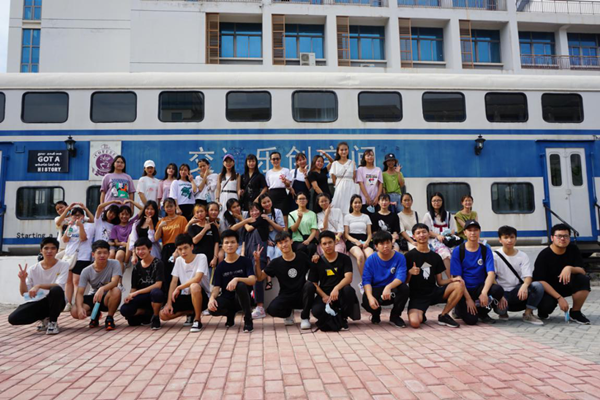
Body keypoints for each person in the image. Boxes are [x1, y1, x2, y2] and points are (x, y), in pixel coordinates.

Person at [405, 224, 463, 329]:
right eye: (418, 233)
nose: (421, 235)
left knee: (459, 285)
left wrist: (452, 279)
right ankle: (421, 313)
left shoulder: (436, 256)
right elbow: (405, 282)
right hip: (417, 297)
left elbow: (440, 282)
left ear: (429, 234)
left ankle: (444, 315)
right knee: (415, 323)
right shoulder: (408, 256)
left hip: (433, 292)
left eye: (424, 232)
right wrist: (410, 272)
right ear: (413, 236)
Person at [8, 238, 69, 335]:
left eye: (53, 248)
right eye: (46, 248)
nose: (49, 251)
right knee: (13, 318)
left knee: (56, 289)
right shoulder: (33, 269)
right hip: (39, 301)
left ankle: (53, 322)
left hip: (57, 301)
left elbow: (60, 285)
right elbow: (24, 293)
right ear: (41, 250)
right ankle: (44, 318)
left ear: (57, 251)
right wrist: (22, 280)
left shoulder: (64, 265)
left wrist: (39, 286)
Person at [533, 224, 591, 324]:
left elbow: (582, 271)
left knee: (583, 279)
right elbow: (540, 281)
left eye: (566, 236)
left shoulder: (573, 249)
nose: (563, 239)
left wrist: (569, 268)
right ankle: (543, 311)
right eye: (559, 236)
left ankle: (575, 312)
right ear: (552, 238)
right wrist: (559, 298)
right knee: (547, 306)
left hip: (566, 284)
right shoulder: (544, 255)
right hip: (549, 289)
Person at [254, 231, 314, 329]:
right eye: (280, 243)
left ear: (291, 241)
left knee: (310, 286)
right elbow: (260, 277)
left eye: (286, 241)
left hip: (302, 295)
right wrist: (257, 262)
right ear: (277, 245)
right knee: (272, 310)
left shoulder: (302, 256)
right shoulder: (275, 263)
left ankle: (305, 317)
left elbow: (314, 269)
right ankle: (288, 313)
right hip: (286, 295)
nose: (284, 245)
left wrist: (316, 258)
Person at [450, 220, 504, 325]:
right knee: (471, 320)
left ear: (479, 232)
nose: (473, 233)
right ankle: (458, 309)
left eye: (475, 230)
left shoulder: (485, 250)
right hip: (464, 290)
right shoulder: (458, 251)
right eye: (469, 230)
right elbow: (457, 278)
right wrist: (468, 299)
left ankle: (483, 313)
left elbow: (491, 273)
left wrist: (484, 293)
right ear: (464, 232)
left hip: (479, 288)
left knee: (497, 290)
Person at [306, 231, 359, 330]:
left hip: (341, 292)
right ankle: (333, 318)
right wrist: (324, 296)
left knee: (349, 291)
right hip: (325, 294)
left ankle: (342, 318)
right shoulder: (317, 261)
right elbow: (313, 283)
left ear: (335, 242)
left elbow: (348, 278)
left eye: (330, 242)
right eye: (324, 243)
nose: (328, 246)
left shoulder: (345, 258)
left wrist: (336, 288)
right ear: (320, 246)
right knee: (316, 311)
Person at [493, 225, 544, 325]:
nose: (509, 240)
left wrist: (525, 285)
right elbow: (491, 277)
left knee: (537, 286)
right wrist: (499, 295)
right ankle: (503, 313)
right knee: (501, 310)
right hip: (502, 293)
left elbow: (528, 276)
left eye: (512, 237)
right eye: (506, 237)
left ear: (516, 239)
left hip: (518, 292)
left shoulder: (522, 256)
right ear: (500, 240)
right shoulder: (494, 256)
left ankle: (528, 314)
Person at [160, 234, 210, 332]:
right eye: (180, 249)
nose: (183, 251)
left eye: (185, 248)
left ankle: (197, 319)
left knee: (194, 286)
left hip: (202, 296)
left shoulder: (201, 257)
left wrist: (179, 287)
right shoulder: (179, 260)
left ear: (192, 247)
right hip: (186, 296)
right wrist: (169, 303)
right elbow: (174, 282)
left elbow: (197, 278)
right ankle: (191, 312)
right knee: (163, 315)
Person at [208, 230, 256, 333]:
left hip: (243, 299)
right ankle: (230, 314)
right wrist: (211, 299)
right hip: (228, 299)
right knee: (212, 309)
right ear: (223, 246)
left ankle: (248, 319)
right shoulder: (220, 267)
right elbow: (216, 287)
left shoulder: (245, 261)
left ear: (237, 245)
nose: (229, 245)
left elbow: (253, 280)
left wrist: (237, 279)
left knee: (240, 285)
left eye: (232, 242)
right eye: (226, 242)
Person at [71, 240, 122, 330]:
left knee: (116, 290)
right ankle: (96, 314)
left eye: (105, 253)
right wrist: (79, 308)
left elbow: (115, 282)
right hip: (94, 297)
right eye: (99, 253)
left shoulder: (115, 263)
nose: (102, 255)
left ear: (109, 254)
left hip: (107, 297)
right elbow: (79, 293)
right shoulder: (86, 271)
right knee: (74, 311)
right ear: (93, 254)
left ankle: (109, 318)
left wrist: (102, 289)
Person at [361, 231, 409, 327]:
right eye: (382, 244)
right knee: (366, 299)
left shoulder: (400, 257)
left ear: (392, 243)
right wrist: (370, 297)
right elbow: (366, 280)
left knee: (404, 289)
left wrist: (388, 287)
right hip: (377, 289)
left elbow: (401, 277)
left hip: (392, 289)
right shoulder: (371, 260)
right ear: (376, 246)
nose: (386, 246)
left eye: (388, 243)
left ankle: (395, 316)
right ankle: (375, 314)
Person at [120, 237, 164, 330]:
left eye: (143, 249)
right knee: (125, 310)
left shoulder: (158, 263)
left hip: (154, 296)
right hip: (141, 297)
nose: (140, 252)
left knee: (156, 293)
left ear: (150, 249)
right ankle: (147, 313)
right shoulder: (137, 266)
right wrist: (129, 297)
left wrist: (136, 293)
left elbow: (158, 285)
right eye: (138, 249)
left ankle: (156, 317)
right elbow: (134, 287)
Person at [63, 206, 95, 307]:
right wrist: (70, 226)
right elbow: (65, 240)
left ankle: (77, 303)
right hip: (69, 256)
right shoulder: (71, 226)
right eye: (74, 215)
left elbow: (83, 238)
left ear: (83, 216)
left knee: (76, 281)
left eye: (79, 215)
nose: (76, 217)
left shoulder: (88, 226)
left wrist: (80, 226)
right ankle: (68, 303)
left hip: (82, 256)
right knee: (68, 281)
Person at [155, 198, 189, 294]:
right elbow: (156, 238)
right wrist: (160, 227)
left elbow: (185, 235)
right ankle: (168, 296)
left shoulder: (182, 219)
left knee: (180, 272)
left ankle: (180, 295)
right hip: (166, 249)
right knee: (167, 273)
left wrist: (178, 250)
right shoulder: (162, 221)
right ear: (164, 208)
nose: (169, 208)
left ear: (175, 206)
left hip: (179, 247)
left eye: (171, 206)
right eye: (167, 207)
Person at [423, 192, 455, 278]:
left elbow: (453, 230)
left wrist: (446, 235)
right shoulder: (428, 216)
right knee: (445, 253)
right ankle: (451, 278)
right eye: (434, 201)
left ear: (442, 201)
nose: (436, 203)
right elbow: (427, 231)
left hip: (448, 241)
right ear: (430, 202)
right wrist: (438, 236)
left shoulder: (448, 215)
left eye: (438, 200)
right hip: (433, 242)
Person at [344, 194, 374, 277]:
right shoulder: (347, 217)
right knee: (360, 256)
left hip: (365, 240)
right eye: (355, 202)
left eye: (359, 202)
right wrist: (355, 241)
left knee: (371, 257)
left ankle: (373, 278)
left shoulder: (366, 217)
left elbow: (369, 233)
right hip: (352, 241)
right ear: (351, 204)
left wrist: (367, 242)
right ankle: (364, 280)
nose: (357, 204)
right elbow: (346, 234)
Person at [109, 201, 142, 271]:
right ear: (118, 215)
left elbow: (142, 209)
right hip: (122, 247)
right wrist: (123, 243)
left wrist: (131, 201)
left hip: (132, 247)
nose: (124, 216)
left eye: (127, 214)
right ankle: (119, 277)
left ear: (130, 215)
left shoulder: (132, 222)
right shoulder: (115, 227)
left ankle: (126, 263)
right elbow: (116, 242)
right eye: (122, 214)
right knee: (118, 256)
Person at [186, 204, 220, 270]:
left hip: (210, 259)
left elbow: (216, 242)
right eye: (197, 212)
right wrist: (205, 229)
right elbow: (195, 240)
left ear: (206, 212)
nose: (200, 214)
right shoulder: (192, 227)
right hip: (196, 259)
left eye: (201, 211)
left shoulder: (212, 226)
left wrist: (215, 258)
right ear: (194, 214)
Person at [329, 142, 357, 216]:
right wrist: (339, 185)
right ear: (338, 151)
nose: (344, 151)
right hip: (340, 186)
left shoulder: (352, 163)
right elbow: (333, 178)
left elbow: (354, 177)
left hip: (350, 186)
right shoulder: (335, 163)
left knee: (350, 204)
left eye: (345, 149)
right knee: (338, 205)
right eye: (341, 150)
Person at [129, 200, 162, 264]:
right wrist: (134, 254)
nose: (149, 211)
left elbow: (152, 240)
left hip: (152, 251)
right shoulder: (137, 223)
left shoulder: (159, 222)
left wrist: (151, 226)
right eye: (147, 209)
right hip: (139, 252)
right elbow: (133, 240)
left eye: (152, 209)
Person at [288, 192, 318, 256]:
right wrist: (299, 218)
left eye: (304, 199)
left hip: (309, 239)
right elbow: (293, 229)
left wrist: (308, 241)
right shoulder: (291, 214)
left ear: (307, 201)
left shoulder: (312, 214)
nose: (302, 200)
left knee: (311, 248)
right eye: (300, 199)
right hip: (297, 240)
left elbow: (313, 231)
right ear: (296, 201)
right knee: (301, 249)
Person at [266, 151, 291, 225]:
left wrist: (285, 181)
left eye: (277, 159)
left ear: (280, 159)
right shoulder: (268, 172)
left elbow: (288, 185)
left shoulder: (285, 170)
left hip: (282, 194)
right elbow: (268, 186)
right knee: (273, 215)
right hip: (272, 195)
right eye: (273, 159)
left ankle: (285, 232)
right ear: (270, 160)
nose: (275, 161)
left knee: (284, 216)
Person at [356, 149, 383, 215]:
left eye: (371, 155)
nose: (370, 157)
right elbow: (361, 184)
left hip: (375, 201)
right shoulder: (360, 169)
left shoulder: (378, 170)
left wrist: (377, 198)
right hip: (364, 200)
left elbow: (380, 184)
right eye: (368, 155)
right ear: (364, 158)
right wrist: (367, 198)